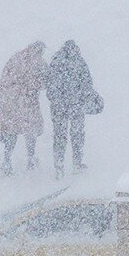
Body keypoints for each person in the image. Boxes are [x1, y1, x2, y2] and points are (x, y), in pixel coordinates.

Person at [0, 42, 48, 175]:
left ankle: (7, 161)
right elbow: (41, 83)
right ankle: (30, 160)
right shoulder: (39, 63)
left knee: (12, 132)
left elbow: (4, 80)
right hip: (28, 103)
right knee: (30, 131)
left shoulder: (15, 58)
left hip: (11, 103)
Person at [45, 40, 96, 178]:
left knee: (59, 136)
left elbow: (49, 85)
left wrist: (56, 100)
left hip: (58, 108)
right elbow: (87, 85)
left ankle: (59, 166)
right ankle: (77, 164)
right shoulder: (79, 62)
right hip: (76, 107)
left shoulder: (55, 62)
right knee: (77, 135)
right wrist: (85, 99)